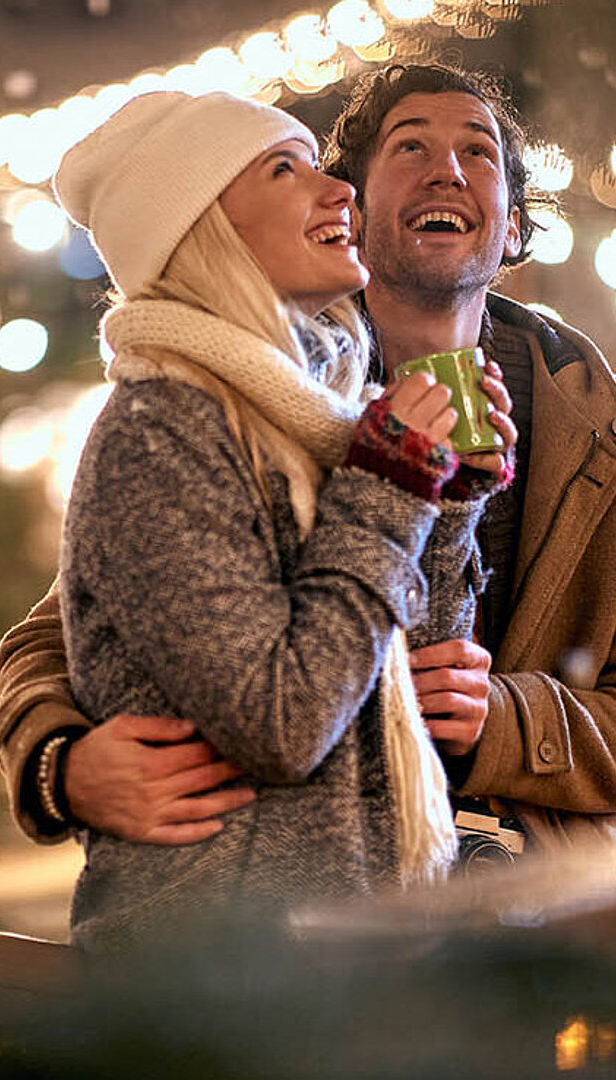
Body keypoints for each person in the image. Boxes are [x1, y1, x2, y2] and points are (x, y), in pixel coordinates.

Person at [0, 63, 616, 861]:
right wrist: (61, 766)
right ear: (354, 214)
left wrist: (504, 723)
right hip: (320, 910)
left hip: (539, 907)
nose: (447, 170)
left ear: (512, 227)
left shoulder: (611, 438)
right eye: (410, 148)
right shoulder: (254, 398)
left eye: (478, 154)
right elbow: (70, 631)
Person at [44, 89, 510, 950]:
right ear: (204, 232)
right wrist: (393, 487)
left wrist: (444, 504)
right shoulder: (159, 436)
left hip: (347, 960)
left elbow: (397, 679)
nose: (339, 191)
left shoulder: (315, 415)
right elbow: (286, 724)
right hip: (225, 982)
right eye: (285, 170)